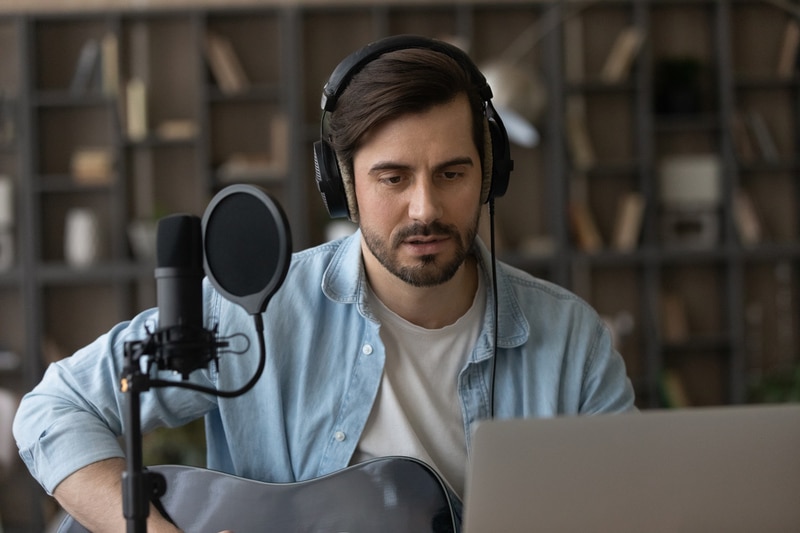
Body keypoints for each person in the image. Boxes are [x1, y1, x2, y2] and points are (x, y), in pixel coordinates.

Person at [14, 35, 635, 532]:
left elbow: (631, 505)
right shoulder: (253, 312)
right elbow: (52, 410)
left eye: (451, 172)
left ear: (489, 175)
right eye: (392, 178)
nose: (426, 208)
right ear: (344, 187)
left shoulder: (572, 338)